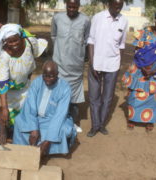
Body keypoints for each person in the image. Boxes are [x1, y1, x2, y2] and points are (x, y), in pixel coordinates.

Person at [122, 7, 156, 132]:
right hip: (139, 68)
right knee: (135, 93)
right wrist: (143, 67)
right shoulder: (144, 32)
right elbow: (137, 52)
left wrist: (154, 70)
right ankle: (132, 118)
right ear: (155, 19)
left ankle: (149, 120)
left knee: (153, 96)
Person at [13, 61, 76, 156]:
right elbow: (30, 106)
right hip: (36, 118)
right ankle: (29, 147)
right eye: (45, 76)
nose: (47, 79)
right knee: (19, 121)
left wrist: (47, 141)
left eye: (51, 76)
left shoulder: (65, 88)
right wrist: (34, 129)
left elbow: (60, 115)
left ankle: (45, 148)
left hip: (52, 120)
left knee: (64, 129)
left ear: (57, 74)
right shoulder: (37, 82)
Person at [87, 0, 128, 137]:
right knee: (94, 97)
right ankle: (94, 126)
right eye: (115, 6)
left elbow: (121, 45)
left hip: (113, 65)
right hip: (96, 64)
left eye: (120, 6)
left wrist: (119, 64)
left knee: (108, 98)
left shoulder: (124, 21)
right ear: (109, 4)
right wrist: (92, 63)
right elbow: (91, 41)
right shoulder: (97, 18)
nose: (118, 9)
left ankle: (101, 125)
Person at [0, 24, 48, 126]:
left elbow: (33, 57)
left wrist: (26, 74)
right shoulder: (4, 57)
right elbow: (2, 84)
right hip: (11, 94)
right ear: (5, 42)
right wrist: (4, 108)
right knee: (11, 121)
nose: (14, 44)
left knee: (31, 116)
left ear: (20, 37)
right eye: (10, 42)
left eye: (16, 40)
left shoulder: (30, 43)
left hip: (27, 87)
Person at [51, 0, 90, 133]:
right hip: (60, 64)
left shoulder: (85, 20)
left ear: (79, 6)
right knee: (59, 95)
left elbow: (86, 40)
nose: (72, 9)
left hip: (76, 66)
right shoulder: (57, 18)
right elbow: (54, 36)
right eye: (69, 6)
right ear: (66, 5)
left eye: (75, 7)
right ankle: (58, 122)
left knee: (74, 98)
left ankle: (74, 123)